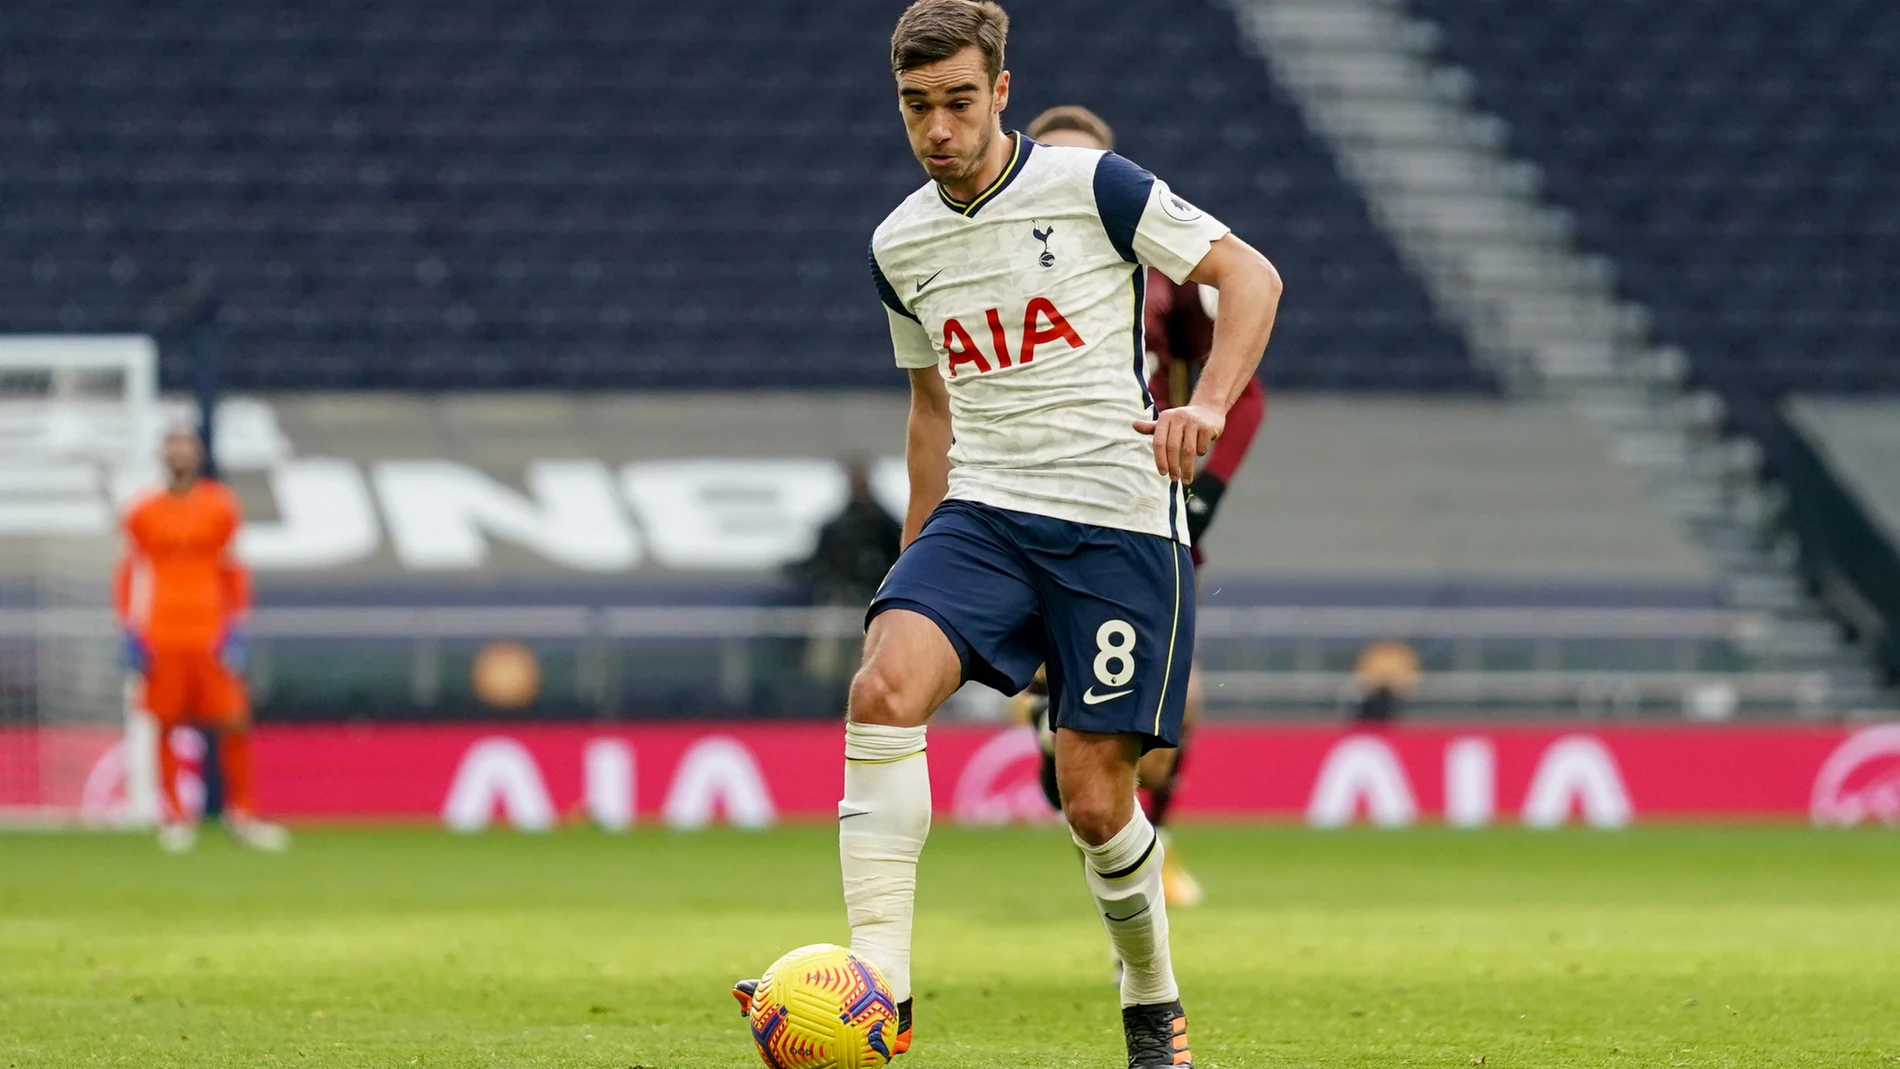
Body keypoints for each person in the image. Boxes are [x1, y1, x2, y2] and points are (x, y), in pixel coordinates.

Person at [731, 3, 1282, 1065]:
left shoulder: (1091, 188)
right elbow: (930, 413)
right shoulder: (899, 243)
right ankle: (877, 986)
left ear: (1000, 93)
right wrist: (911, 562)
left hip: (1116, 520)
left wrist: (1205, 405)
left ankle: (1150, 994)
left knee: (1091, 799)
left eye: (957, 102)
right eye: (915, 106)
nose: (937, 128)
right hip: (984, 513)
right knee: (882, 684)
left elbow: (1248, 275)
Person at [1016, 104, 1270, 909]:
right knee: (1083, 726)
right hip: (1038, 507)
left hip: (1148, 513)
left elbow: (1245, 391)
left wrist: (1200, 496)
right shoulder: (993, 269)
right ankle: (1096, 808)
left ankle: (1141, 840)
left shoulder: (1161, 267)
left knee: (1168, 723)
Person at [116, 427, 288, 853]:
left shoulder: (219, 505)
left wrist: (238, 624)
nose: (179, 453)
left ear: (199, 454)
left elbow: (233, 567)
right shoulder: (143, 511)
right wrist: (129, 628)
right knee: (166, 724)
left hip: (211, 630)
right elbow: (129, 570)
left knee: (234, 720)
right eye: (172, 446)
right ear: (162, 455)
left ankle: (242, 814)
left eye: (186, 446)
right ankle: (175, 817)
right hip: (162, 631)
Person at [789, 461, 906, 683]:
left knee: (870, 658)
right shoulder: (837, 525)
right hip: (842, 598)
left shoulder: (883, 524)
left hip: (874, 600)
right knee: (829, 664)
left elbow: (898, 556)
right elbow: (822, 562)